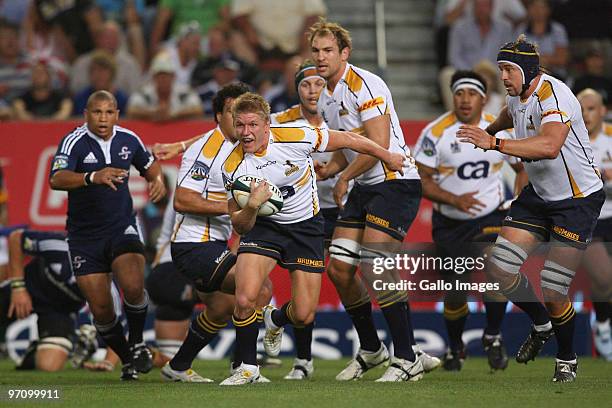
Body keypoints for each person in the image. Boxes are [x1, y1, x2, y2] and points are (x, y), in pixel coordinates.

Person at [218, 92, 406, 385]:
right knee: (245, 296)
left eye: (252, 125)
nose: (246, 133)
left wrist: (387, 155)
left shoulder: (298, 136)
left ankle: (276, 319)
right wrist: (253, 205)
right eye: (239, 125)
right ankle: (247, 368)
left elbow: (348, 139)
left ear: (267, 125)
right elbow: (239, 225)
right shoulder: (231, 165)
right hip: (264, 227)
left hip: (306, 227)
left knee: (304, 315)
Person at [457, 35, 605, 382]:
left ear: (525, 69)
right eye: (500, 70)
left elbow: (551, 145)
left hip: (576, 200)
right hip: (539, 195)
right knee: (498, 269)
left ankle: (567, 359)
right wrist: (489, 128)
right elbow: (512, 112)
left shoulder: (556, 95)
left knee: (554, 288)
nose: (503, 77)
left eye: (508, 69)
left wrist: (493, 142)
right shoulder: (518, 94)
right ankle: (541, 323)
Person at [310, 19, 438, 382]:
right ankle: (372, 349)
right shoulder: (325, 96)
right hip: (365, 187)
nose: (321, 57)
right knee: (339, 268)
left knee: (377, 266)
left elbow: (379, 146)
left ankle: (407, 357)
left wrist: (344, 177)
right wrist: (330, 169)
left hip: (395, 181)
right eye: (316, 51)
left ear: (344, 53)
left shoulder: (365, 83)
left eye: (328, 50)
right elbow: (349, 149)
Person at [155, 83, 273, 382]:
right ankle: (245, 367)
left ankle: (177, 366)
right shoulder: (207, 150)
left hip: (213, 243)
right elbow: (182, 199)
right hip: (193, 246)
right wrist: (233, 206)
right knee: (258, 288)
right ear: (219, 115)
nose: (239, 120)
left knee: (221, 308)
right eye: (233, 112)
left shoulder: (234, 143)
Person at [48, 90, 166, 381]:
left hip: (121, 226)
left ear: (117, 114)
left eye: (109, 112)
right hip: (84, 237)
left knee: (133, 285)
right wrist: (92, 176)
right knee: (101, 310)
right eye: (97, 112)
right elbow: (56, 178)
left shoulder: (129, 139)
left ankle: (137, 342)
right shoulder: (74, 141)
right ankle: (128, 359)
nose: (103, 118)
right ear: (86, 114)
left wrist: (158, 180)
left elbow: (150, 166)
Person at [414, 70, 527, 371]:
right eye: (459, 93)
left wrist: (518, 199)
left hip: (490, 215)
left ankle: (492, 334)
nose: (465, 100)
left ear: (484, 98)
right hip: (450, 222)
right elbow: (421, 180)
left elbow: (523, 166)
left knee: (497, 268)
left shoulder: (500, 128)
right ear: (452, 97)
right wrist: (454, 200)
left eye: (472, 93)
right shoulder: (435, 132)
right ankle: (455, 347)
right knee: (455, 292)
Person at [267, 59, 337, 380]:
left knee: (346, 274)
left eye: (319, 84)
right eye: (305, 85)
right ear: (297, 89)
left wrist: (340, 173)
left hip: (341, 204)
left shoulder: (343, 116)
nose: (312, 91)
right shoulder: (278, 122)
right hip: (300, 213)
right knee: (305, 290)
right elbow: (241, 138)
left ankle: (375, 348)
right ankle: (303, 361)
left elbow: (362, 147)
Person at [1, 229, 92, 371]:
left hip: (59, 312)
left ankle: (34, 352)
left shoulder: (108, 277)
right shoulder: (60, 245)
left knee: (49, 365)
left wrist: (108, 362)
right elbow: (16, 238)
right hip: (27, 289)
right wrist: (18, 287)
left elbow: (118, 322)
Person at [576, 88, 612, 361]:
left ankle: (603, 323)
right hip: (587, 218)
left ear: (603, 111)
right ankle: (602, 326)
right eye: (581, 108)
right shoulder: (569, 138)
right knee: (603, 276)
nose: (586, 114)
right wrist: (600, 174)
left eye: (591, 108)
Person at [126, 53, 203, 122]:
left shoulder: (184, 92)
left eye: (166, 75)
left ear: (173, 77)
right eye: (160, 75)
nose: (163, 79)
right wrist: (153, 113)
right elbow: (131, 111)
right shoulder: (144, 93)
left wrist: (174, 115)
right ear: (153, 77)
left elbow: (198, 110)